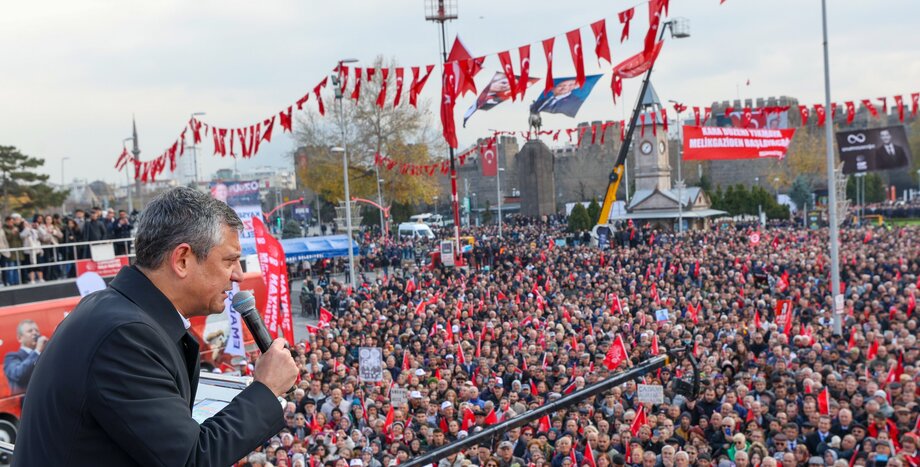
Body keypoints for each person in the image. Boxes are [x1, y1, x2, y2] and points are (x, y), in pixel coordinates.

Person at [14, 186, 298, 466]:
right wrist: (265, 387)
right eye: (229, 260)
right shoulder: (125, 336)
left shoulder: (115, 311)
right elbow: (190, 459)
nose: (238, 275)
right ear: (182, 259)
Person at [2, 319, 46, 394]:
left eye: (36, 330)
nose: (35, 333)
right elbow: (18, 374)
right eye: (30, 331)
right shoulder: (11, 357)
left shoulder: (43, 355)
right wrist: (37, 351)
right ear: (19, 338)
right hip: (26, 403)